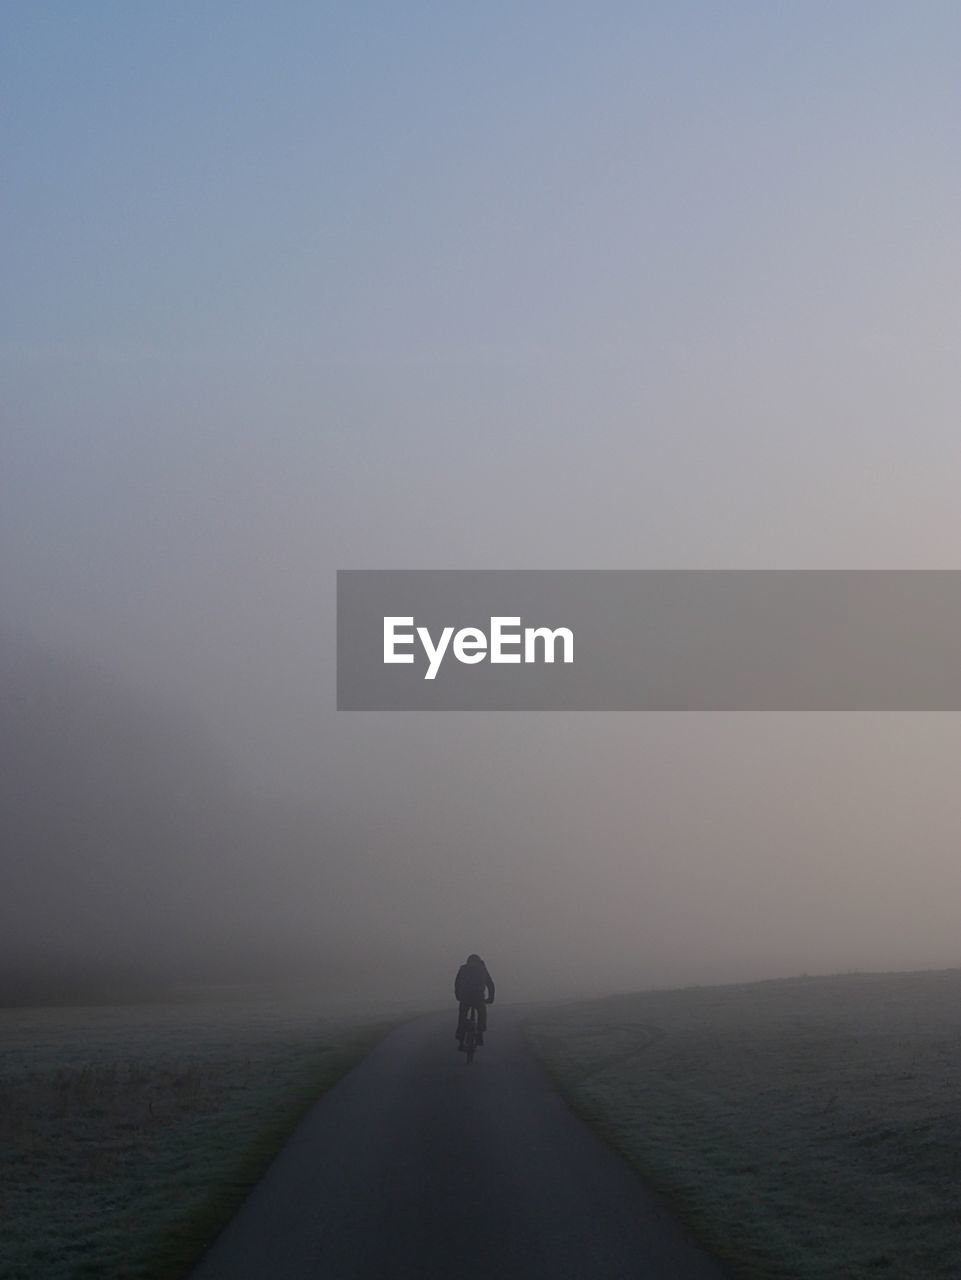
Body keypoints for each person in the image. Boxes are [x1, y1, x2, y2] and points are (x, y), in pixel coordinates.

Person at [455, 953, 495, 1049]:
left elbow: (457, 983)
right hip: (478, 997)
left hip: (465, 997)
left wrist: (458, 996)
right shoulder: (482, 969)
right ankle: (480, 1032)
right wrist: (490, 999)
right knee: (482, 1014)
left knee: (462, 1016)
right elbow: (490, 985)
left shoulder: (463, 969)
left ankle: (460, 1039)